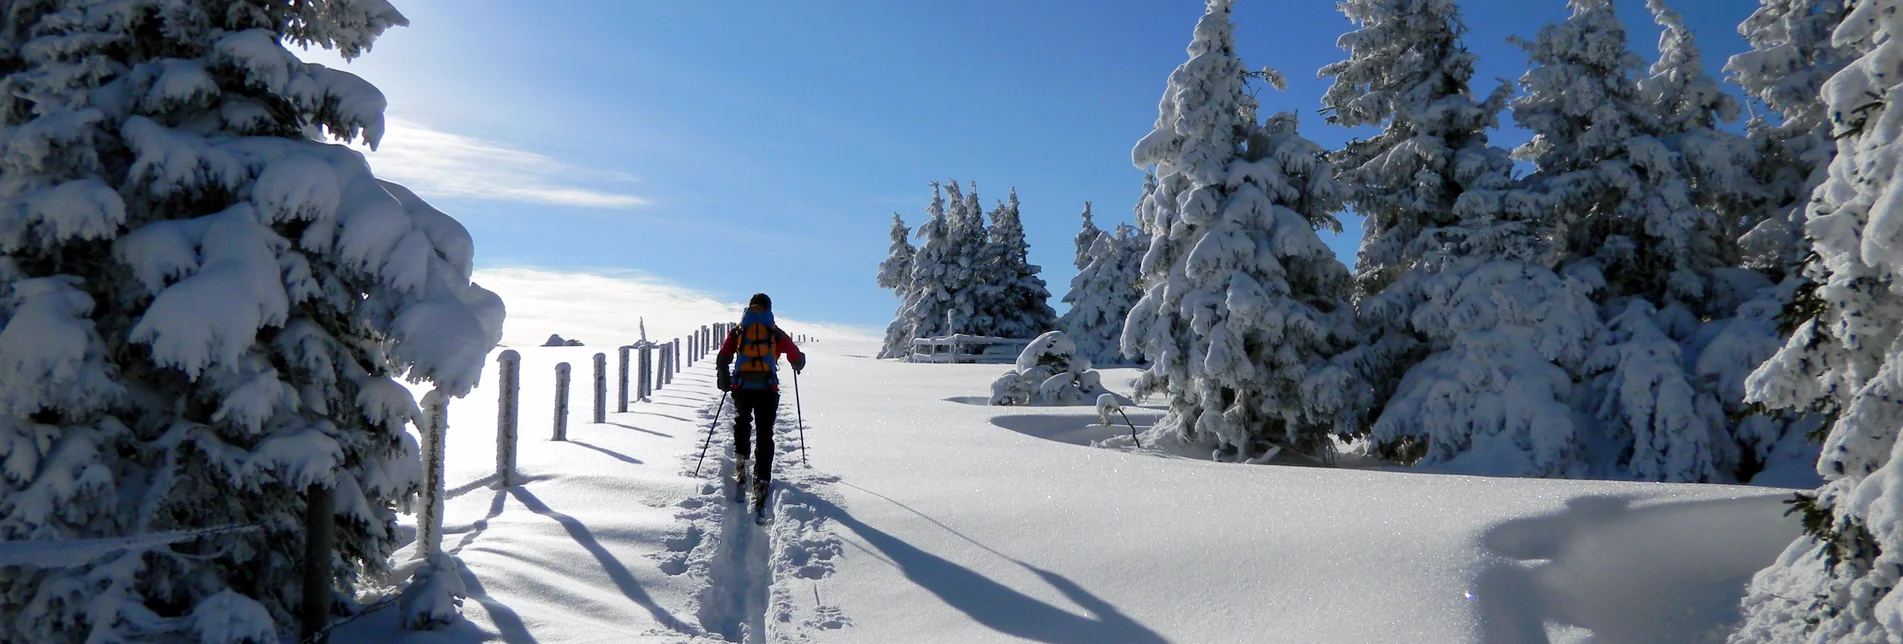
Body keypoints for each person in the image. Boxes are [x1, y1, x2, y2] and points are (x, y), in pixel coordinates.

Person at [716, 293, 806, 503]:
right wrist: (799, 362)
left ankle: (741, 462)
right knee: (765, 433)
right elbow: (795, 356)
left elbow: (724, 355)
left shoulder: (739, 330)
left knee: (742, 421)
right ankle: (762, 479)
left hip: (742, 387)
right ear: (769, 308)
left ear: (749, 307)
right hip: (767, 388)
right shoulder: (774, 332)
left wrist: (723, 377)